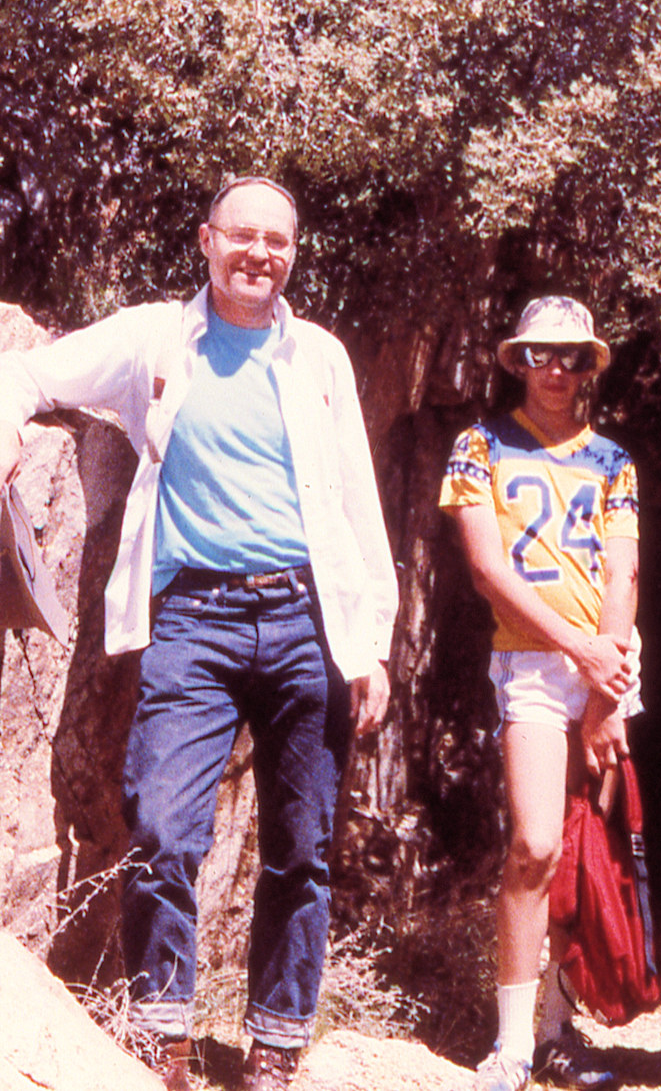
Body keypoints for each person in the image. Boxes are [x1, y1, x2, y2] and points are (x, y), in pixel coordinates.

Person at [0, 177, 399, 1091]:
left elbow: (356, 505)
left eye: (279, 241)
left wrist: (369, 642)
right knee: (165, 824)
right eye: (243, 237)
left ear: (293, 254)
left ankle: (276, 1045)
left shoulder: (321, 359)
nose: (260, 255)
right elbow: (25, 371)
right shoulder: (154, 338)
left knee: (302, 846)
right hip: (193, 620)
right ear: (206, 241)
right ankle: (162, 1037)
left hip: (307, 620)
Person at [442, 296, 639, 1091]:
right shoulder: (479, 446)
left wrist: (607, 681)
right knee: (534, 843)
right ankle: (512, 1043)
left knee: (581, 846)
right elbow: (488, 567)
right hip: (533, 660)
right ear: (518, 361)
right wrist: (579, 650)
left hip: (607, 667)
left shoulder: (613, 460)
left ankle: (561, 1029)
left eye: (572, 356)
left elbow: (622, 572)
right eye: (540, 355)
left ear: (590, 364)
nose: (556, 369)